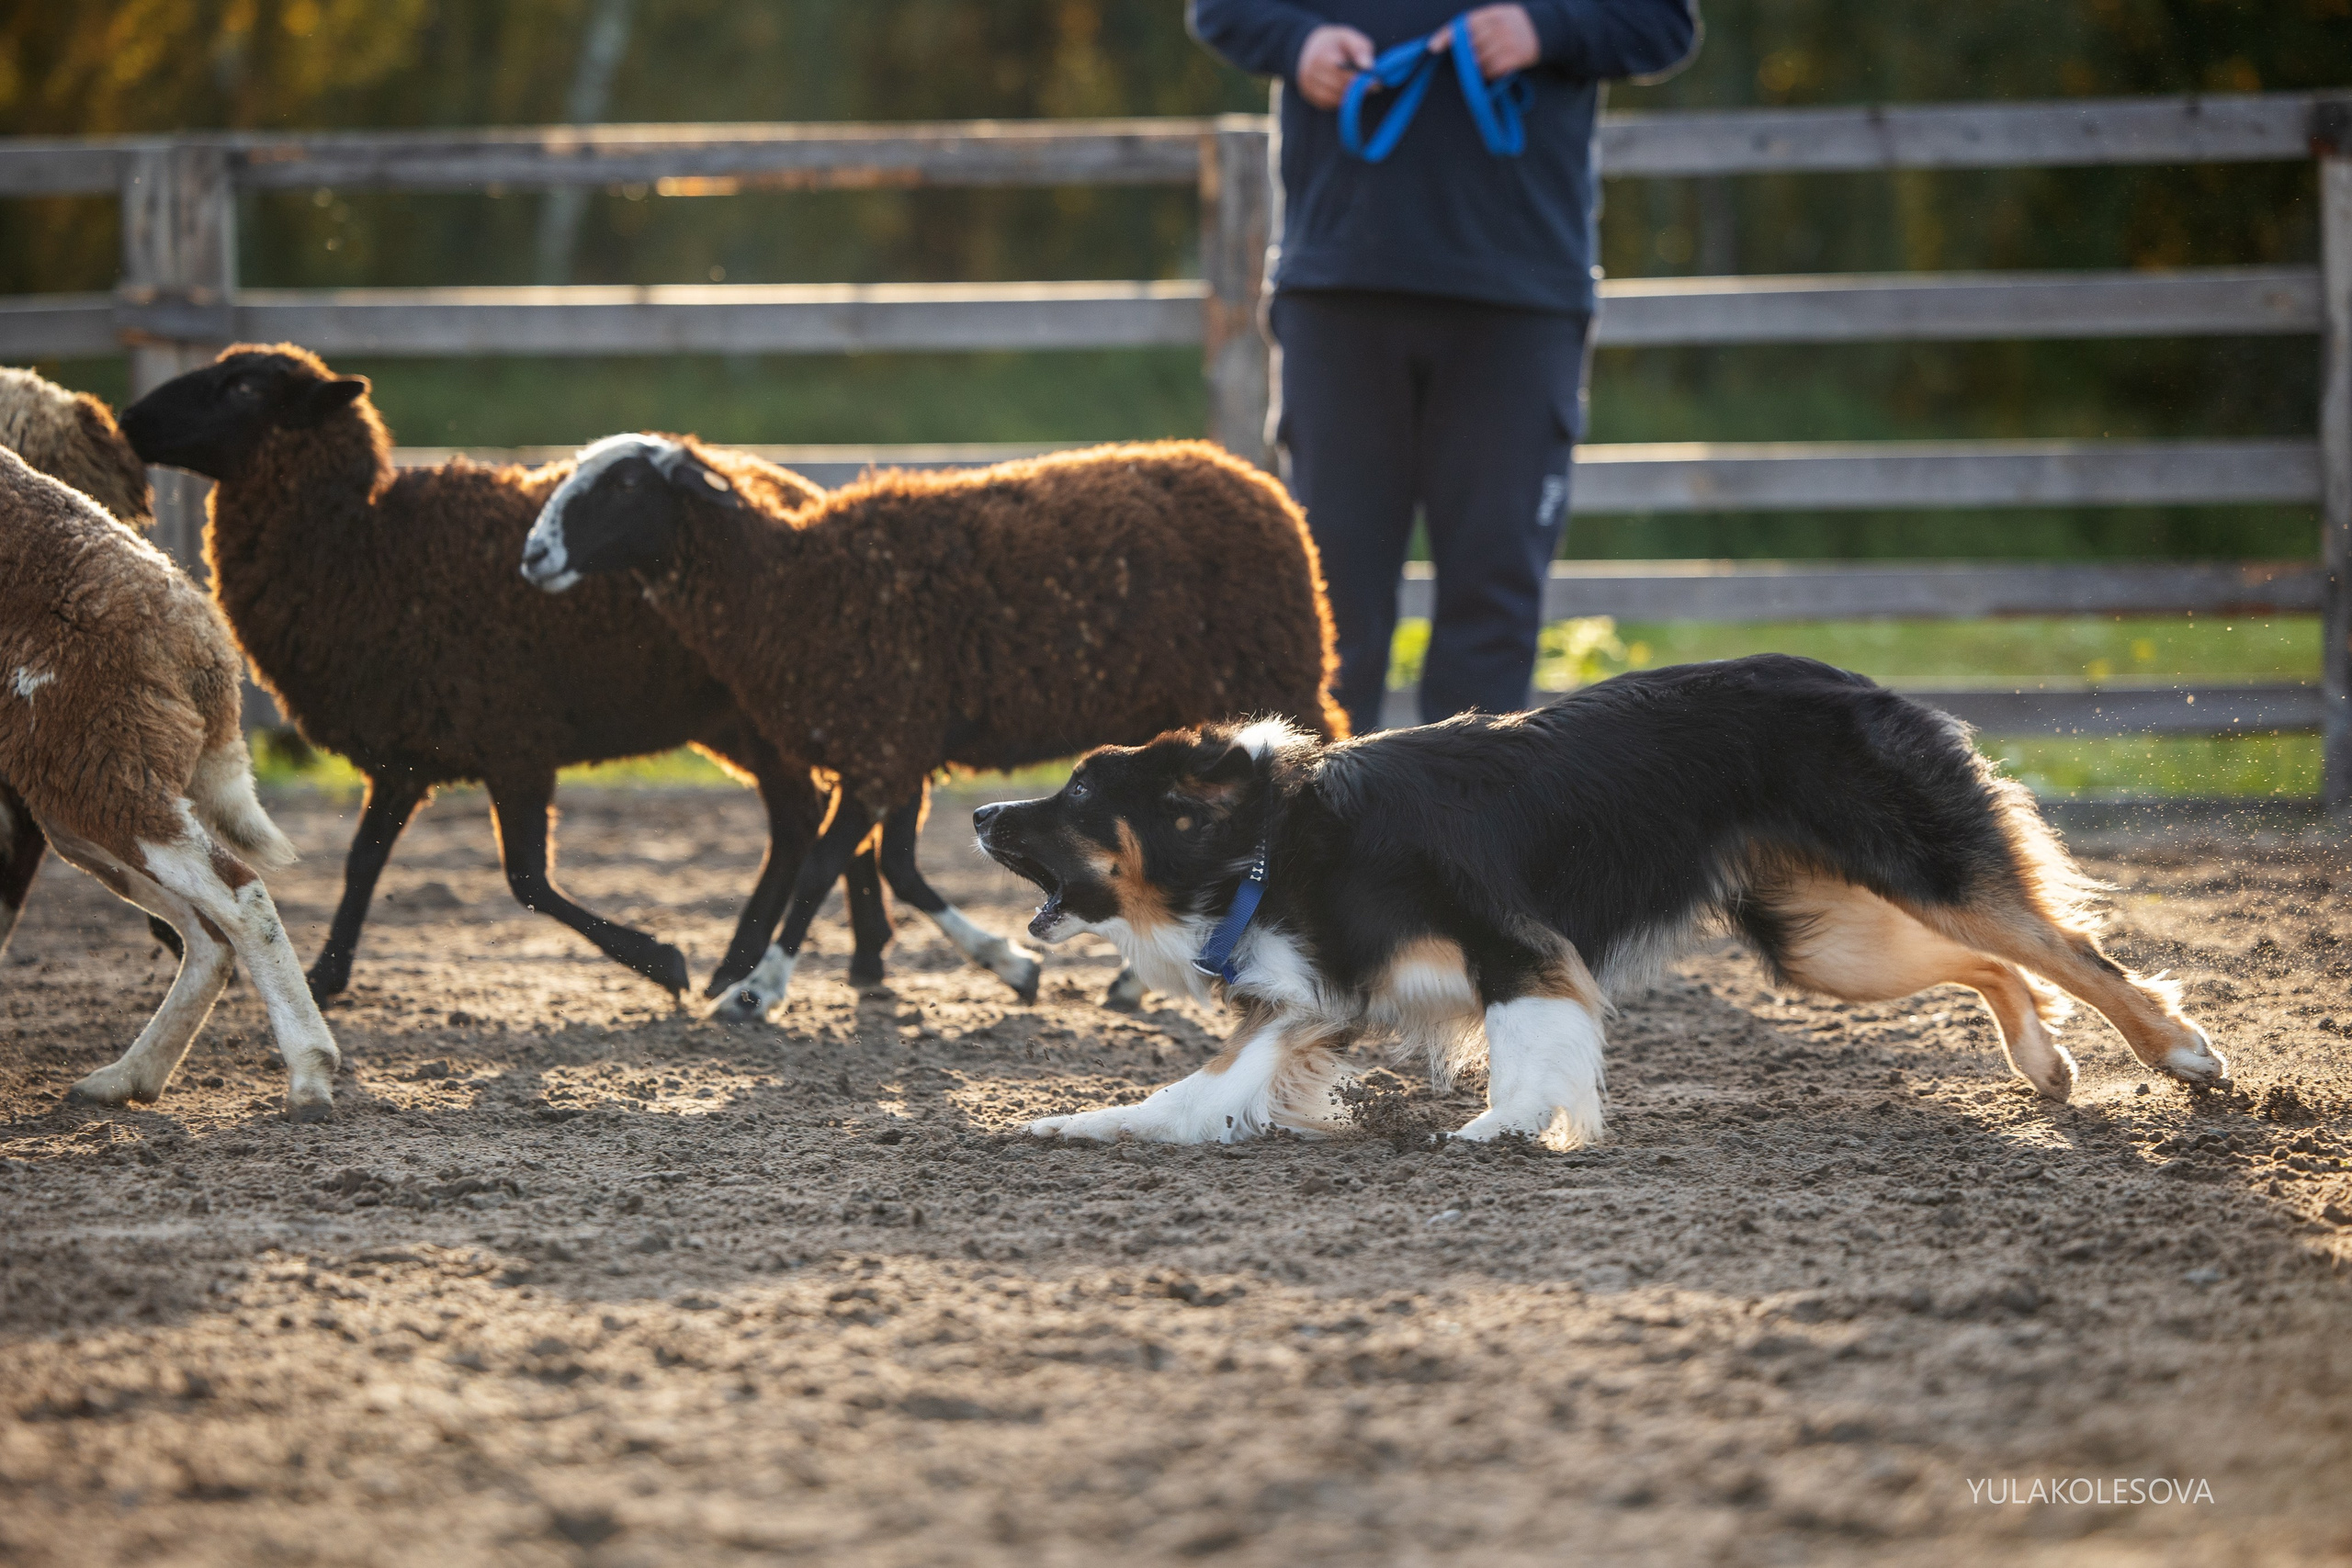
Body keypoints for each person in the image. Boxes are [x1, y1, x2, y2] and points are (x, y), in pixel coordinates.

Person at [1188, 0, 1700, 734]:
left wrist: (1546, 28)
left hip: (1517, 297)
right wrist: (1299, 44)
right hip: (1344, 286)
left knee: (1493, 601)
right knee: (1332, 602)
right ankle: (1321, 805)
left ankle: (1477, 809)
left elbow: (1663, 22)